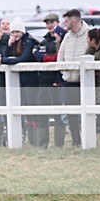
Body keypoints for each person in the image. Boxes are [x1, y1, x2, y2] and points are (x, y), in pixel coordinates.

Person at [1, 19, 40, 146]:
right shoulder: (13, 42)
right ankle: (29, 139)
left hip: (31, 80)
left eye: (17, 31)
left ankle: (36, 139)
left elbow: (23, 58)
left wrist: (5, 60)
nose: (15, 34)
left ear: (22, 31)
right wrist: (8, 45)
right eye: (13, 32)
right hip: (20, 81)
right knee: (22, 109)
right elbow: (5, 55)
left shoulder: (28, 41)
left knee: (31, 108)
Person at [57, 9, 89, 146]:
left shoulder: (88, 35)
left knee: (86, 113)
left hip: (83, 82)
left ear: (73, 21)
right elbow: (60, 56)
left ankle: (88, 140)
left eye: (66, 21)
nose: (64, 24)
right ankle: (76, 141)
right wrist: (65, 72)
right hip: (68, 81)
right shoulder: (67, 37)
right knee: (71, 114)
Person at [34, 13, 67, 147]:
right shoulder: (44, 40)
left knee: (58, 115)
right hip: (43, 81)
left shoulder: (63, 39)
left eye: (52, 22)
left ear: (58, 22)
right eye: (47, 23)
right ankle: (43, 144)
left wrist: (42, 56)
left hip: (56, 82)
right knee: (42, 113)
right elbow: (37, 54)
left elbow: (53, 57)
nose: (49, 25)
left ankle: (59, 145)